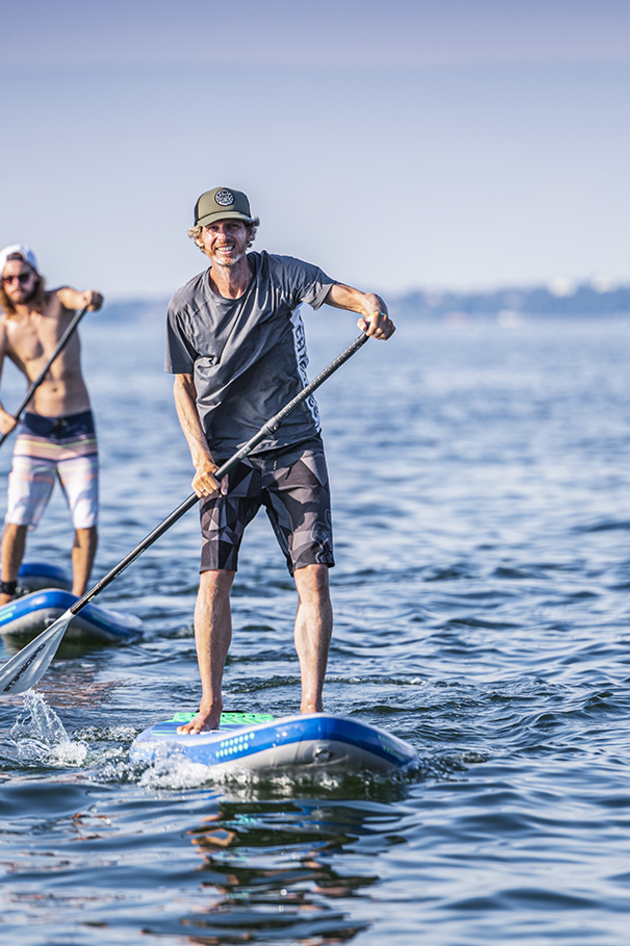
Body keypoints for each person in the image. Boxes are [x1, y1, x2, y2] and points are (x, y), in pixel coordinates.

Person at [167, 187, 395, 734]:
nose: (226, 237)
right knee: (214, 579)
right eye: (215, 230)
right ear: (200, 240)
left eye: (236, 227)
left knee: (312, 576)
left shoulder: (282, 275)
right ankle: (210, 705)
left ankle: (311, 708)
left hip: (295, 446)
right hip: (226, 459)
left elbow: (342, 293)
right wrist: (200, 460)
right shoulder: (184, 305)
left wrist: (371, 307)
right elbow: (181, 387)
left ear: (251, 233)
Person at [0, 244, 104, 606]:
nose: (16, 283)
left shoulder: (58, 301)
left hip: (79, 428)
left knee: (85, 515)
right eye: (9, 279)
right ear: (1, 285)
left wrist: (91, 299)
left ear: (36, 276)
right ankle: (6, 592)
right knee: (16, 514)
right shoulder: (2, 331)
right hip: (35, 430)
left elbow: (83, 299)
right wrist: (0, 415)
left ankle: (80, 597)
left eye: (23, 276)